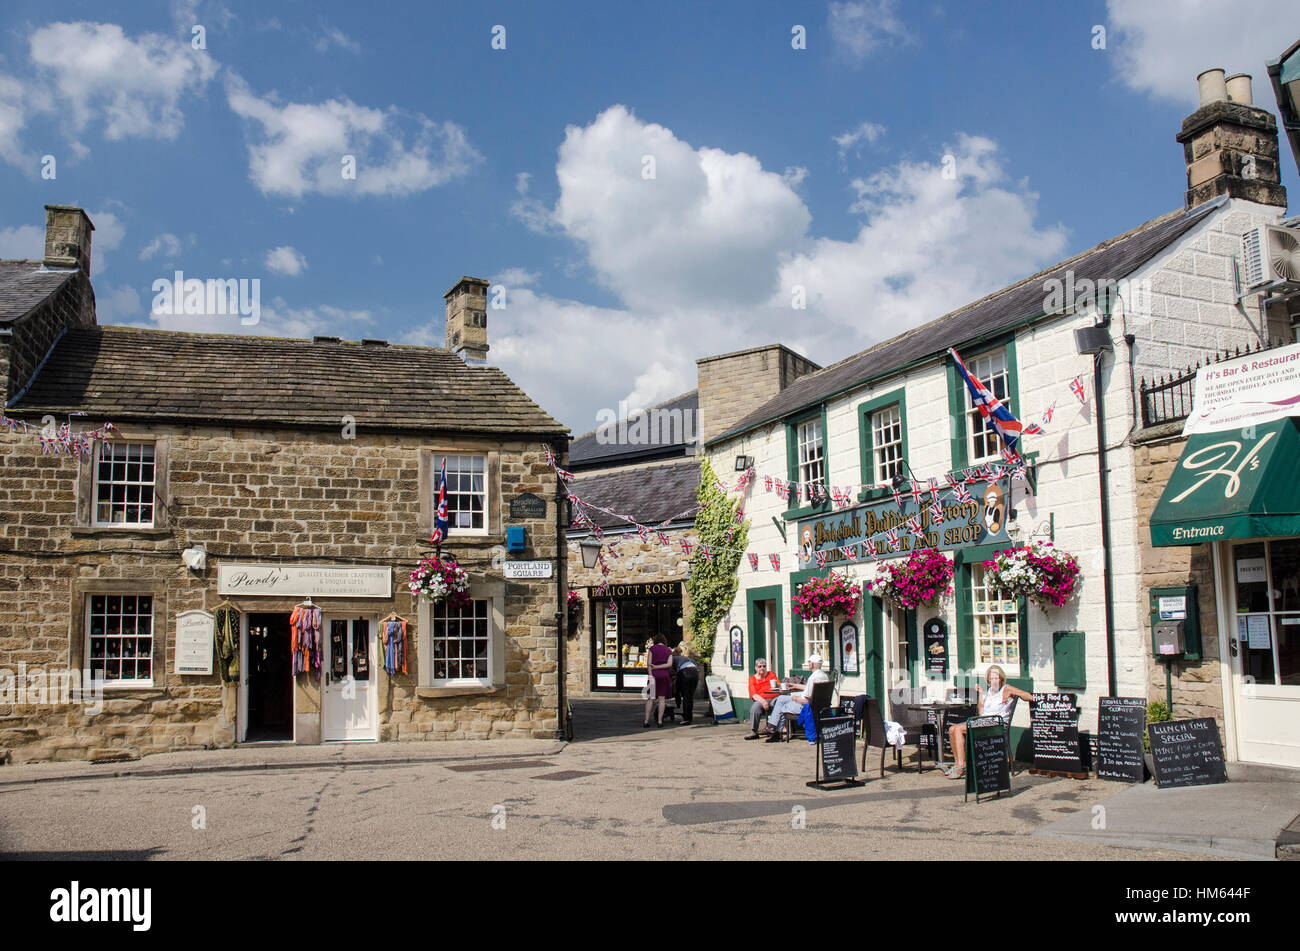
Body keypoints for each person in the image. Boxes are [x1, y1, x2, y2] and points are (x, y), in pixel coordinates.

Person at [942, 664, 1031, 778]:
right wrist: (981, 695)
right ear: (988, 680)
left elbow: (1027, 695)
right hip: (985, 721)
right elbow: (981, 713)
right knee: (952, 729)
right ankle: (958, 763)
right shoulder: (989, 692)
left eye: (996, 678)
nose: (993, 681)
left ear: (1001, 679)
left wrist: (1014, 696)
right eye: (991, 678)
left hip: (996, 724)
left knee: (958, 729)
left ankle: (961, 767)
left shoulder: (1006, 688)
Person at [765, 654, 829, 742]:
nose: (808, 663)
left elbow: (806, 700)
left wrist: (795, 699)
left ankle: (776, 732)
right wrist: (794, 685)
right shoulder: (824, 676)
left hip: (805, 707)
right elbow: (809, 688)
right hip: (818, 705)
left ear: (812, 664)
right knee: (781, 698)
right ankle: (772, 728)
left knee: (782, 706)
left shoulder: (812, 678)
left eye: (809, 662)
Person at [743, 659, 782, 739]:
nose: (762, 668)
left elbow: (779, 686)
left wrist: (777, 685)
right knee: (755, 707)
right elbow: (753, 694)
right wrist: (763, 702)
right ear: (756, 668)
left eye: (764, 666)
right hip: (761, 699)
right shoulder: (752, 679)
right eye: (759, 666)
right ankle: (754, 731)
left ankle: (776, 730)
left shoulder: (771, 675)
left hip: (774, 697)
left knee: (779, 702)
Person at [644, 635, 673, 728]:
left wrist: (651, 674)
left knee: (651, 698)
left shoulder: (652, 649)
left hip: (654, 675)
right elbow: (669, 664)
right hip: (664, 675)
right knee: (661, 699)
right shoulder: (668, 650)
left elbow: (649, 664)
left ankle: (646, 720)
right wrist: (660, 667)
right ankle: (660, 721)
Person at [671, 645, 700, 724]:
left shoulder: (672, 658)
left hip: (685, 672)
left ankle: (679, 706)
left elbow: (670, 671)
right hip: (694, 672)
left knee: (682, 693)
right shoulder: (686, 658)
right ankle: (688, 717)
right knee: (689, 697)